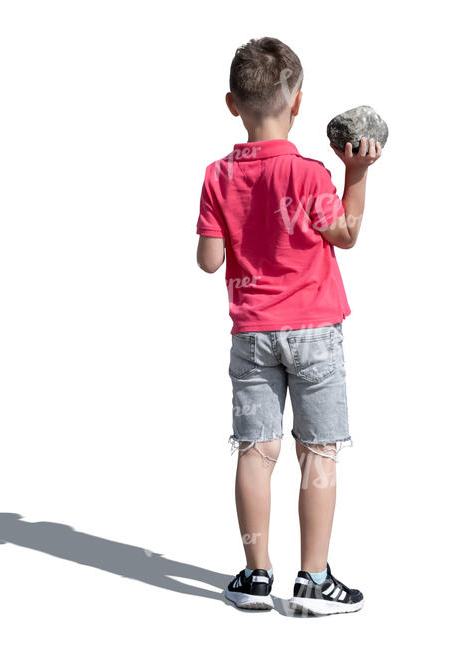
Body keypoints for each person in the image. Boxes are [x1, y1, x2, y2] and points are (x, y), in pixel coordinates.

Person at [195, 37, 381, 615]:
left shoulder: (217, 175)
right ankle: (314, 579)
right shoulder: (309, 175)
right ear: (297, 103)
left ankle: (255, 577)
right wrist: (355, 172)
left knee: (257, 449)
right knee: (318, 452)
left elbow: (208, 261)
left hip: (252, 332)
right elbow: (345, 235)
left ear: (232, 103)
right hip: (316, 330)